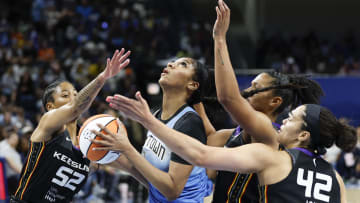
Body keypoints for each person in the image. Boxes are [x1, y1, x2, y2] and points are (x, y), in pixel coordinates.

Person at [98, 1, 357, 202]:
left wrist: (220, 39)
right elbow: (205, 138)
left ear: (274, 101)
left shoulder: (268, 135)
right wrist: (193, 97)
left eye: (256, 88)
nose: (247, 90)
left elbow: (227, 98)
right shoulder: (235, 135)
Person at [11, 48, 131, 203]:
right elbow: (76, 107)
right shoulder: (48, 124)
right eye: (65, 95)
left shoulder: (88, 139)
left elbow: (128, 166)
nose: (74, 97)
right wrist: (103, 77)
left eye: (76, 94)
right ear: (50, 107)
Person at [96, 57, 213, 202]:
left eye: (183, 64)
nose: (170, 64)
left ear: (193, 85)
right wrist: (102, 155)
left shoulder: (189, 123)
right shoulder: (156, 116)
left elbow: (172, 190)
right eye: (173, 62)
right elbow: (152, 181)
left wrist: (127, 149)